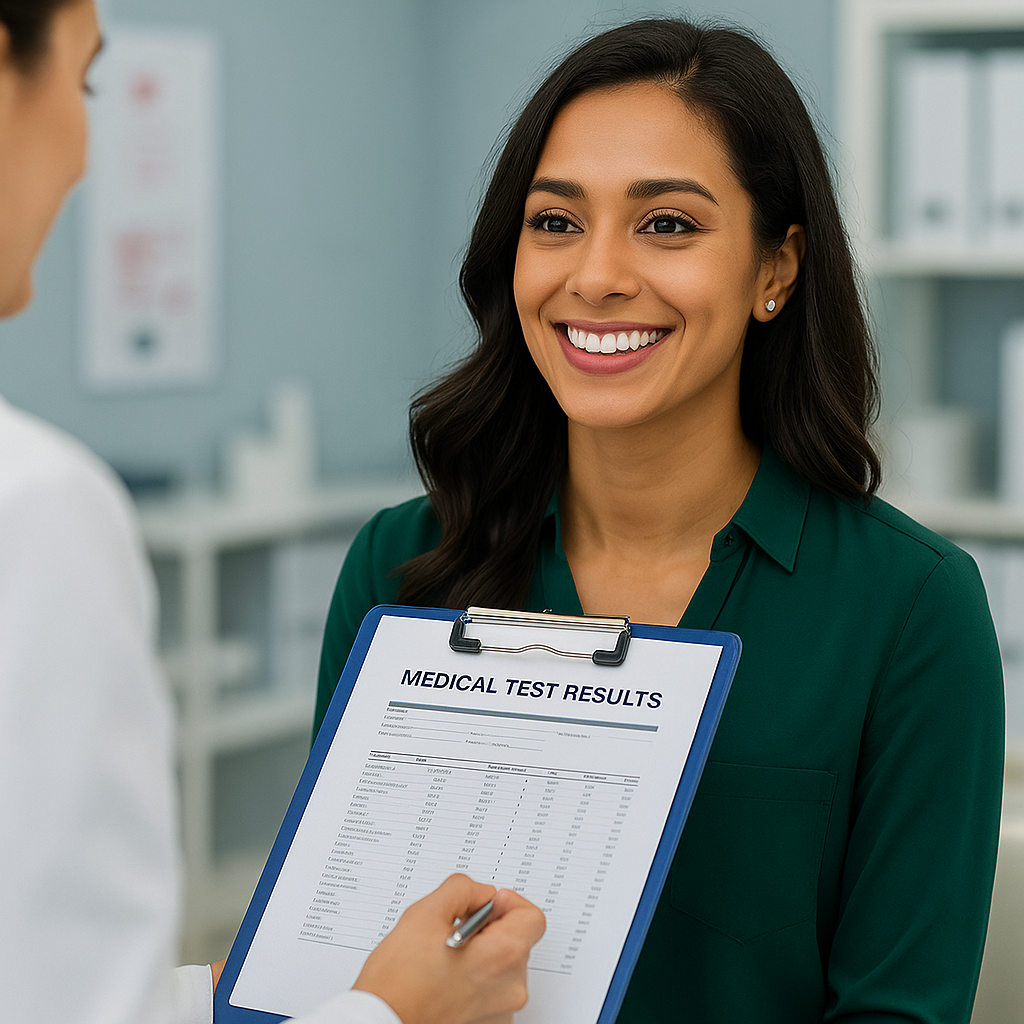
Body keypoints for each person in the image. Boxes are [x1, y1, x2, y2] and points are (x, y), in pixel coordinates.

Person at [315, 18, 1005, 1024]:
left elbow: (898, 1008)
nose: (594, 275)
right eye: (554, 222)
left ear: (776, 269)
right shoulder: (403, 564)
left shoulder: (909, 607)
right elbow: (342, 958)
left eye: (667, 225)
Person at [0, 2, 544, 1023]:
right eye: (85, 83)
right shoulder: (32, 507)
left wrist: (192, 999)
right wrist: (392, 1011)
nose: (81, 155)